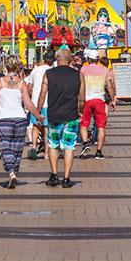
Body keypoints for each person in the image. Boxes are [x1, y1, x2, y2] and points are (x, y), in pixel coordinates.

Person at [0, 56, 38, 189]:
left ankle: (11, 172)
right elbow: (28, 103)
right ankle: (14, 171)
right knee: (17, 149)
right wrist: (38, 116)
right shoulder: (22, 83)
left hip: (4, 119)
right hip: (20, 120)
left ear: (6, 67)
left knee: (6, 147)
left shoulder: (0, 81)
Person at [38, 48, 84, 188]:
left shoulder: (49, 74)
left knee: (53, 145)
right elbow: (82, 98)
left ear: (57, 60)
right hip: (71, 116)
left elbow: (42, 94)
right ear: (70, 60)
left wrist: (38, 112)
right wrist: (80, 112)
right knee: (69, 147)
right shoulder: (78, 75)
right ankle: (66, 178)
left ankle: (53, 175)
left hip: (54, 115)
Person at [78, 50, 115, 159]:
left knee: (84, 124)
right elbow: (109, 86)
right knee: (101, 126)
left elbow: (80, 85)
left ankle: (85, 144)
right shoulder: (105, 70)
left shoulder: (83, 69)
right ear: (98, 59)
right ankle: (99, 151)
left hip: (86, 100)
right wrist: (112, 99)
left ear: (88, 59)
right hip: (100, 100)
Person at [24, 50, 53, 159]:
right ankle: (46, 154)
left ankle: (34, 148)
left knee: (35, 126)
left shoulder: (35, 70)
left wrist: (31, 98)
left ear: (44, 59)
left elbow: (29, 87)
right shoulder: (52, 71)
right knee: (47, 129)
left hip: (35, 104)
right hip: (49, 103)